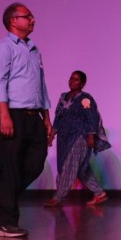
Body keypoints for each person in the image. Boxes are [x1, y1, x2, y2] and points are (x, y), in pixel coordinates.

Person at [0, 2, 53, 238]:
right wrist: (4, 115)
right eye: (27, 16)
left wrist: (47, 117)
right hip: (12, 114)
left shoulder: (33, 48)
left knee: (36, 163)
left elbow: (41, 84)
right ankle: (7, 223)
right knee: (11, 168)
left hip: (34, 116)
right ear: (13, 21)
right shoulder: (3, 48)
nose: (33, 20)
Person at [44, 70, 110, 207]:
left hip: (79, 137)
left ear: (82, 83)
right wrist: (52, 135)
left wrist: (91, 136)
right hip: (64, 137)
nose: (72, 81)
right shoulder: (63, 97)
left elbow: (92, 117)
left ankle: (58, 198)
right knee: (80, 169)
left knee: (69, 167)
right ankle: (99, 193)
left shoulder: (85, 98)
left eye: (76, 79)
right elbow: (58, 117)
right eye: (71, 78)